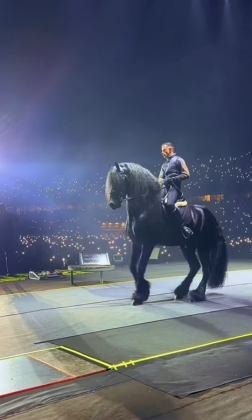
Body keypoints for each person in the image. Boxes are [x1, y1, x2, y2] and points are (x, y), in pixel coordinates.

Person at [158, 142, 193, 239]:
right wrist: (160, 182)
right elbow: (160, 179)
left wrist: (171, 179)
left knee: (169, 204)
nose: (163, 153)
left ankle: (183, 227)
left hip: (174, 189)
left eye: (164, 150)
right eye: (162, 152)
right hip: (164, 188)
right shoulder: (164, 165)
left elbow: (186, 174)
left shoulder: (178, 160)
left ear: (170, 149)